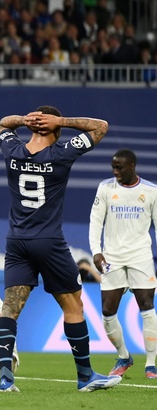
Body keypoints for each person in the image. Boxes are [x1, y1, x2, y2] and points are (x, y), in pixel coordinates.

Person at [0, 106, 122, 392]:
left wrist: (23, 120)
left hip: (16, 242)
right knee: (73, 305)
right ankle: (85, 376)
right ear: (57, 130)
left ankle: (5, 378)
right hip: (49, 242)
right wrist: (61, 121)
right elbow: (101, 125)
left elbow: (2, 125)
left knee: (10, 308)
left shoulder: (12, 151)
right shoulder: (61, 153)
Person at [89, 149, 157, 379]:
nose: (115, 171)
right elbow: (95, 221)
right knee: (108, 311)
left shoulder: (151, 191)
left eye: (119, 167)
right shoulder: (106, 188)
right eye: (113, 167)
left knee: (147, 306)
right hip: (112, 257)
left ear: (133, 166)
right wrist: (96, 252)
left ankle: (151, 365)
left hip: (140, 256)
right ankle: (124, 356)